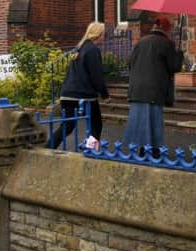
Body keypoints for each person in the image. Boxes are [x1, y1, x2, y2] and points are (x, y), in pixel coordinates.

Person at [123, 15, 183, 156]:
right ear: (166, 29)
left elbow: (129, 63)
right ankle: (154, 152)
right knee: (153, 122)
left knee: (140, 122)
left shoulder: (141, 42)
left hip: (137, 89)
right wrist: (179, 55)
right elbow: (174, 67)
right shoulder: (166, 43)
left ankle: (142, 151)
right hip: (154, 90)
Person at [48, 22, 109, 150]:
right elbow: (96, 76)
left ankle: (48, 146)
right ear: (99, 34)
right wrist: (105, 95)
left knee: (67, 126)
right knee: (96, 123)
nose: (104, 36)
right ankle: (91, 148)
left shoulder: (79, 48)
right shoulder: (92, 50)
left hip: (68, 94)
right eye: (104, 33)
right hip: (84, 95)